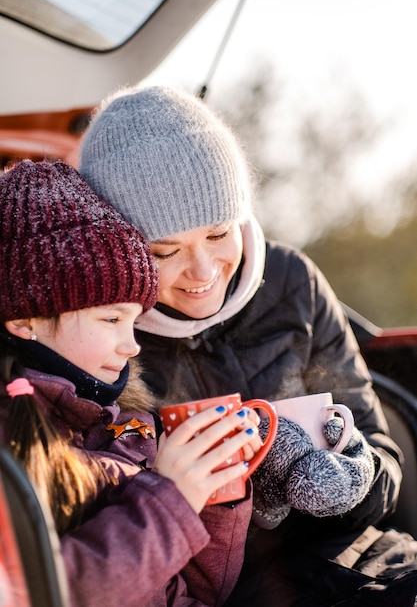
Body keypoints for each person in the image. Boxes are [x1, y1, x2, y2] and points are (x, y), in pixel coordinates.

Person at [78, 84, 417, 606]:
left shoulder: (292, 282)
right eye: (166, 250)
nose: (204, 272)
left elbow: (381, 450)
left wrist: (356, 482)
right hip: (220, 590)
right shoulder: (101, 334)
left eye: (219, 234)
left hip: (360, 558)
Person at [0, 159, 262, 607]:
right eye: (111, 319)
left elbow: (201, 592)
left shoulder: (126, 423)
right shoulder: (14, 437)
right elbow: (41, 594)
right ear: (27, 321)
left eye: (134, 321)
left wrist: (214, 491)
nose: (132, 346)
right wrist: (171, 498)